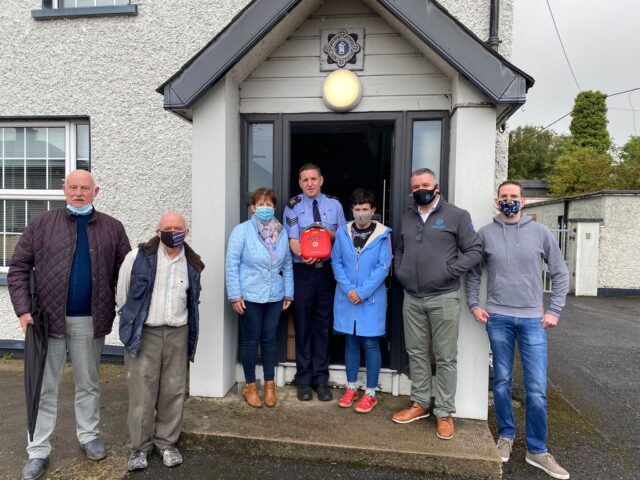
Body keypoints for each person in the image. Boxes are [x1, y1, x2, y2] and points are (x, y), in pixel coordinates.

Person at [7, 169, 131, 480]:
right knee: (44, 388)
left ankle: (89, 437)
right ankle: (37, 451)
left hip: (91, 320)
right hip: (46, 323)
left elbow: (127, 273)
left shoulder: (113, 228)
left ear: (95, 192)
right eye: (73, 187)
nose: (78, 192)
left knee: (88, 384)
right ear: (64, 190)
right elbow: (18, 268)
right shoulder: (42, 224)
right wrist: (23, 312)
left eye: (84, 188)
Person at [466, 181, 570, 479]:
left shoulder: (541, 233)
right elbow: (474, 273)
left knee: (537, 389)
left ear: (523, 201)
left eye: (514, 196)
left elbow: (560, 272)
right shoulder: (485, 234)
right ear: (496, 201)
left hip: (533, 321)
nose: (509, 200)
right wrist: (474, 304)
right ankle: (506, 436)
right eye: (504, 197)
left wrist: (554, 310)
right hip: (497, 318)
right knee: (501, 382)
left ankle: (538, 450)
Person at [392, 168, 482, 440]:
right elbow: (400, 249)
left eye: (425, 184)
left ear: (437, 187)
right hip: (412, 296)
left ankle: (444, 412)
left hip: (443, 297)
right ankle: (420, 403)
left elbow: (475, 250)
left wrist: (450, 270)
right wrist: (401, 270)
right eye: (416, 186)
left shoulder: (456, 215)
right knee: (416, 352)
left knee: (445, 357)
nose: (421, 189)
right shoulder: (407, 217)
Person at [117, 212, 204, 472]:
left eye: (178, 228)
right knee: (142, 393)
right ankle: (140, 448)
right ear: (158, 232)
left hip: (178, 331)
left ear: (186, 233)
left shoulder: (192, 262)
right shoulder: (137, 258)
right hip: (146, 333)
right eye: (168, 228)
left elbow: (192, 299)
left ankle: (167, 443)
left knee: (173, 390)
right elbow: (122, 297)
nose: (173, 231)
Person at [225, 188, 293, 408]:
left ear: (274, 207)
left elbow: (288, 264)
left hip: (275, 295)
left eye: (269, 204)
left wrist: (288, 292)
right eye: (260, 204)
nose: (265, 208)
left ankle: (270, 386)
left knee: (270, 340)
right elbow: (232, 264)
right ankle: (251, 386)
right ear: (253, 207)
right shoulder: (242, 231)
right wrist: (235, 295)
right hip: (250, 295)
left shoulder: (281, 231)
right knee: (251, 341)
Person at [283, 163, 346, 402]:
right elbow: (292, 239)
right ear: (300, 183)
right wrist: (303, 254)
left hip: (327, 273)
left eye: (313, 179)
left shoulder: (335, 205)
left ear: (321, 180)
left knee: (323, 325)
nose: (309, 183)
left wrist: (324, 232)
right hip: (304, 272)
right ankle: (303, 379)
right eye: (304, 180)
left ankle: (321, 379)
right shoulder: (292, 207)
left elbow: (342, 236)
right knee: (303, 325)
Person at [331, 189, 392, 413]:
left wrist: (362, 292)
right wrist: (349, 290)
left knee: (370, 343)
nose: (361, 213)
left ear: (373, 210)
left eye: (365, 209)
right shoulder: (342, 232)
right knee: (351, 342)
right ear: (352, 210)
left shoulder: (383, 235)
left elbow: (383, 267)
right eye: (357, 209)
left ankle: (371, 392)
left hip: (371, 299)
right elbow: (336, 262)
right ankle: (351, 387)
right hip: (347, 297)